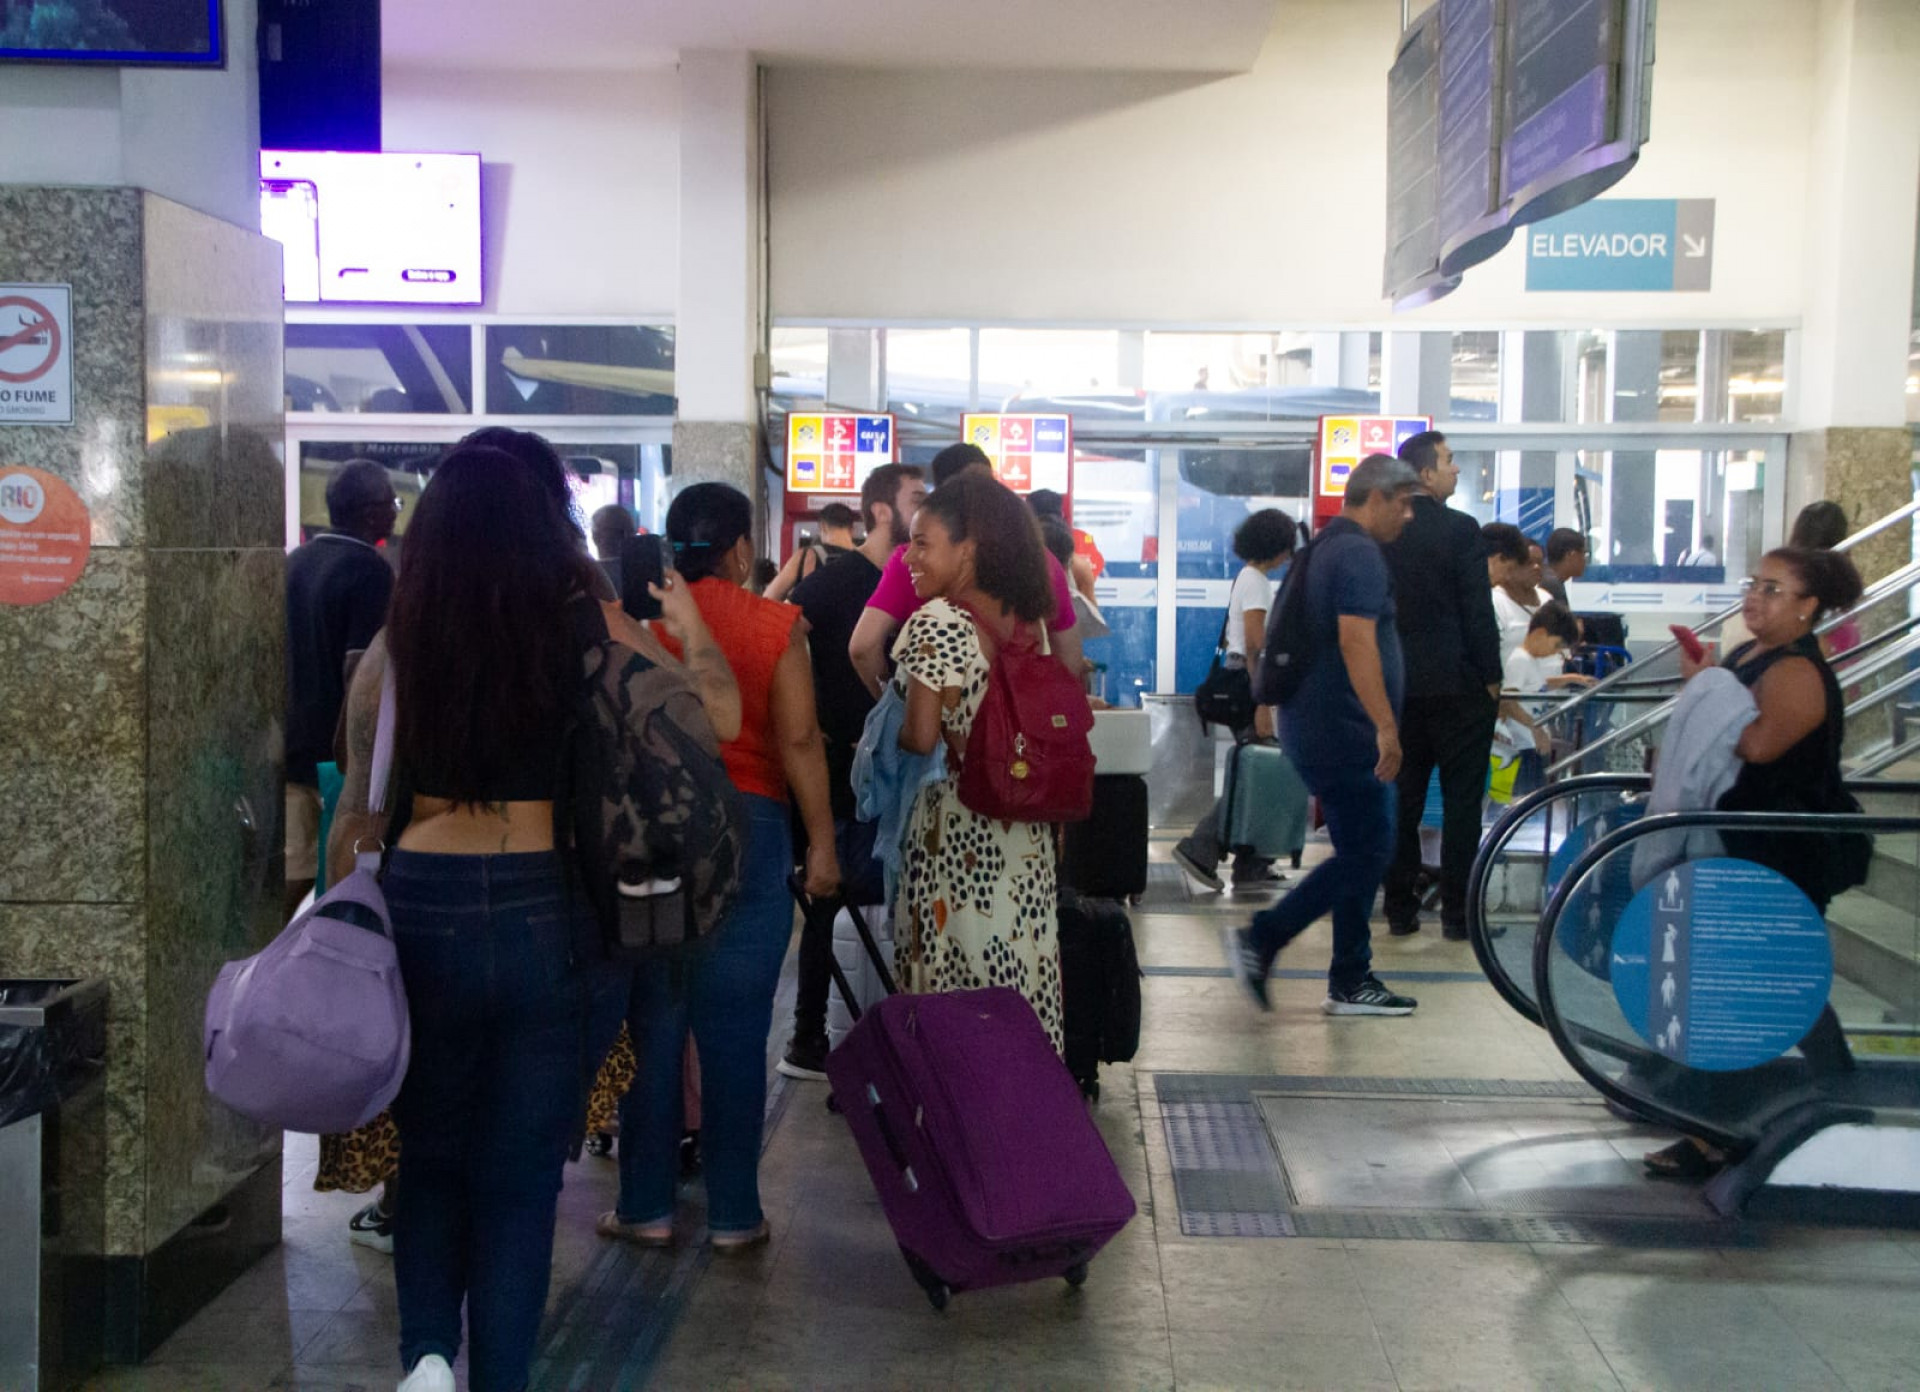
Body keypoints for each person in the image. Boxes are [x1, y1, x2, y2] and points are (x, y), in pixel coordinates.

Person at [326, 444, 726, 1392]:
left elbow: (357, 809)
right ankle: (500, 1376)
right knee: (518, 1181)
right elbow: (702, 718)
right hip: (549, 911)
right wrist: (659, 621)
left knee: (428, 1161)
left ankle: (425, 1357)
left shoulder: (399, 648)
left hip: (419, 907)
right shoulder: (583, 634)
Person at [602, 482, 841, 1253]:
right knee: (736, 1031)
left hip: (655, 838)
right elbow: (801, 742)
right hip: (754, 832)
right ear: (742, 549)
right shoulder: (776, 624)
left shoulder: (636, 624)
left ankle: (646, 1207)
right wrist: (824, 846)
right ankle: (736, 1216)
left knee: (655, 1022)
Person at [1643, 545, 1862, 1180]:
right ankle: (1803, 1094)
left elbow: (1761, 744)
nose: (1755, 597)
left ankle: (1727, 1125)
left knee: (1760, 981)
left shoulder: (1797, 671)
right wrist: (1710, 681)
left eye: (1773, 589)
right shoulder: (1751, 656)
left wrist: (1705, 695)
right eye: (1754, 583)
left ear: (1808, 606)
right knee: (1750, 979)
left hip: (1782, 846)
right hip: (1743, 842)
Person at [1222, 454, 1422, 1017]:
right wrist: (1386, 726)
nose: (1407, 516)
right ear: (1375, 497)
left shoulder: (1325, 549)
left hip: (1320, 724)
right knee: (1369, 848)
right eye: (1402, 503)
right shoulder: (1358, 553)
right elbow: (1357, 642)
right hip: (1344, 728)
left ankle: (1350, 976)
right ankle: (1264, 938)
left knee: (1363, 845)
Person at [892, 468, 1067, 1050]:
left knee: (949, 989)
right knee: (1014, 980)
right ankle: (1015, 1114)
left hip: (958, 836)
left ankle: (954, 1123)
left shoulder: (937, 622)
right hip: (1023, 833)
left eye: (921, 543)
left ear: (968, 550)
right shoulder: (1027, 624)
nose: (907, 558)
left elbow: (920, 737)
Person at [775, 463, 926, 1081]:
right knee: (830, 895)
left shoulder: (905, 577)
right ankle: (810, 1037)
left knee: (858, 901)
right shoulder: (843, 580)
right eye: (917, 498)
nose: (927, 508)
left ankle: (858, 1030)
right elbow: (776, 629)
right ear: (883, 510)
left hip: (879, 771)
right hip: (841, 770)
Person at [1381, 430, 1502, 941]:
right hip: (1458, 689)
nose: (1456, 470)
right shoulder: (1460, 529)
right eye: (1450, 461)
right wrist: (1492, 677)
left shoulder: (1382, 534)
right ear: (1425, 474)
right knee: (1461, 804)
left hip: (1400, 692)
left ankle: (1400, 911)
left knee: (1401, 806)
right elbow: (1477, 611)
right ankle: (1457, 916)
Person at [849, 442, 1082, 695]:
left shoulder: (915, 560)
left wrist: (891, 703)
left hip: (945, 723)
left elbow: (863, 647)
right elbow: (1069, 655)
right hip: (1022, 723)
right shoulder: (1040, 559)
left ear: (942, 495)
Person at [284, 459, 396, 919]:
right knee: (340, 889)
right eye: (392, 502)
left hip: (288, 751)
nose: (395, 512)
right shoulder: (368, 571)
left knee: (289, 882)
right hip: (336, 764)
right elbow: (361, 675)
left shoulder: (295, 562)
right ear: (371, 513)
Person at [1172, 508, 1298, 892]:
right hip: (1249, 685)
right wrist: (1264, 701)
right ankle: (1200, 848)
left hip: (1242, 679)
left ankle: (1252, 861)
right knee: (1252, 778)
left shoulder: (1246, 576)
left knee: (1257, 776)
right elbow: (1257, 644)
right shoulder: (1257, 581)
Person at [763, 500, 859, 602]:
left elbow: (769, 598)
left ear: (823, 527)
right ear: (852, 530)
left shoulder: (805, 556)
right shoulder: (865, 560)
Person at [1492, 532, 1550, 659]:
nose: (1536, 567)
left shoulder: (1546, 599)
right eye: (1529, 562)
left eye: (1540, 563)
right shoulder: (1495, 601)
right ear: (1511, 565)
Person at [1541, 528, 1588, 606]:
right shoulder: (1552, 585)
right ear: (1571, 555)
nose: (1585, 560)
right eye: (1584, 554)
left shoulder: (1546, 576)